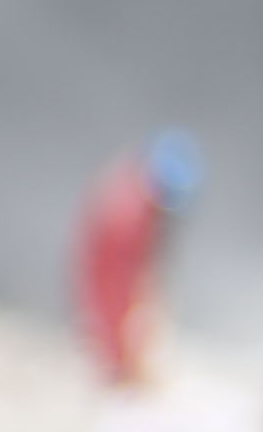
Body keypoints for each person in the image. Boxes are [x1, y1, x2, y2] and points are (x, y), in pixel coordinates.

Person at [75, 126, 199, 389]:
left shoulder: (133, 188)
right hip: (114, 285)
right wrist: (126, 350)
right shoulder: (127, 212)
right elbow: (112, 281)